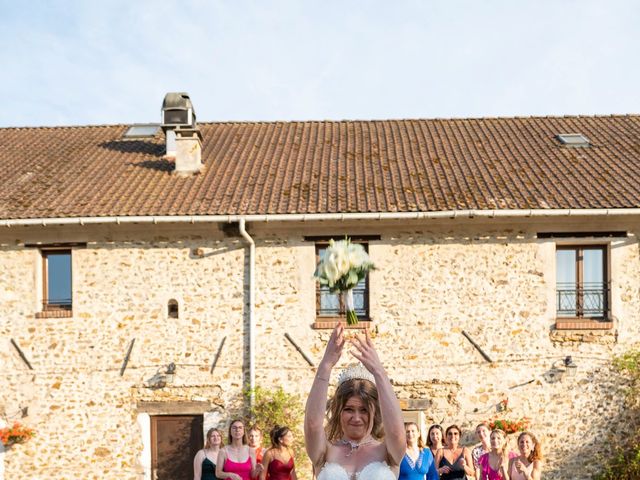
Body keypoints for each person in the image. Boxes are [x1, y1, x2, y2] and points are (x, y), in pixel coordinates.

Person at [304, 324, 406, 480]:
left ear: (375, 411)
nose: (356, 418)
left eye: (364, 410)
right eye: (349, 409)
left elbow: (397, 432)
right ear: (339, 411)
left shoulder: (389, 452)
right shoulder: (324, 452)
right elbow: (312, 424)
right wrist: (325, 365)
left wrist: (379, 372)